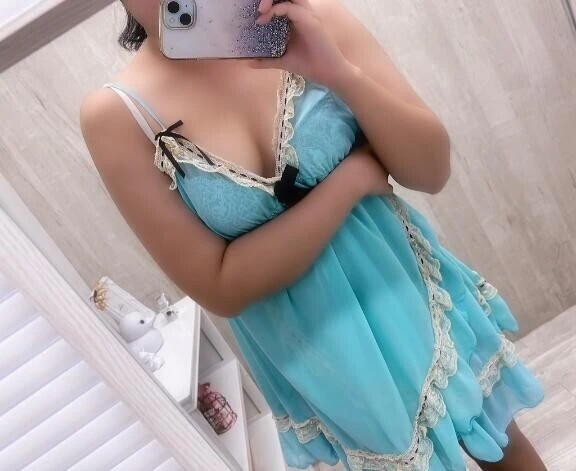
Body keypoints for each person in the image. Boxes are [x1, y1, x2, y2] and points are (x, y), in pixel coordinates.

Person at [79, 1, 547, 469]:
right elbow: (220, 287)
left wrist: (340, 74)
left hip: (413, 293)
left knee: (504, 449)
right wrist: (352, 180)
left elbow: (430, 169)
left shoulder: (309, 19)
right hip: (326, 363)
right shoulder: (116, 115)